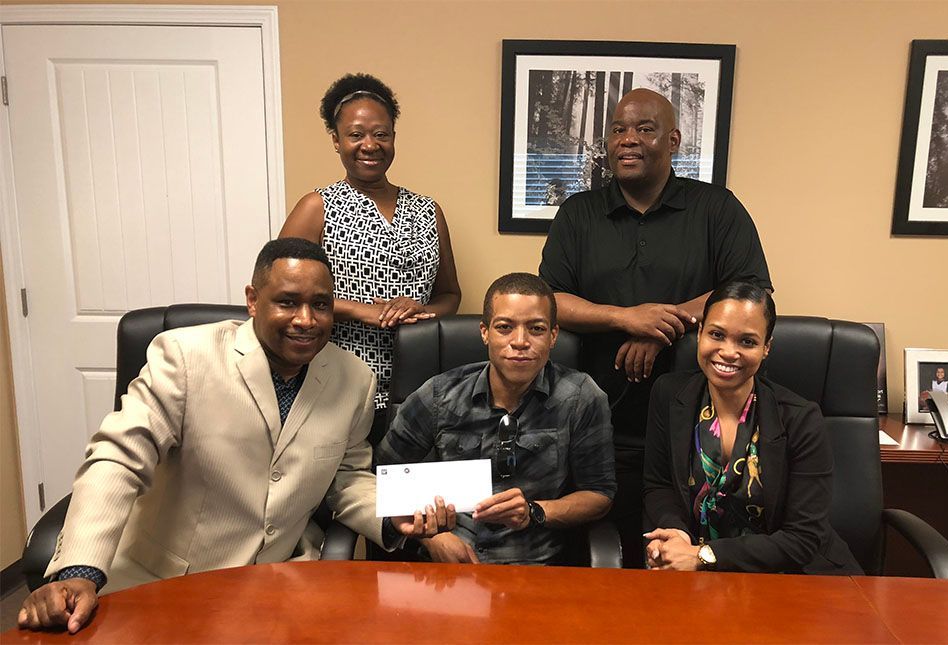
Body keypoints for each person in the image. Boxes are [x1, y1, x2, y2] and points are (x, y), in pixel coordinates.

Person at [18, 238, 453, 633]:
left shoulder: (354, 379)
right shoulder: (185, 357)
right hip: (168, 583)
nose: (306, 320)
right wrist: (81, 570)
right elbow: (117, 459)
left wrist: (393, 512)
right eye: (287, 302)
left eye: (320, 305)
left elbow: (346, 477)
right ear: (252, 300)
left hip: (279, 582)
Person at [538, 87, 772, 567]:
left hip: (696, 423)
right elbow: (552, 301)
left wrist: (661, 323)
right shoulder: (579, 212)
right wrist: (626, 317)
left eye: (644, 129)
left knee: (675, 552)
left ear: (674, 140)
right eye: (618, 129)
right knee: (601, 554)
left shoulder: (716, 208)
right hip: (597, 418)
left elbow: (750, 292)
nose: (628, 139)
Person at [375, 273, 617, 565]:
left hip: (535, 570)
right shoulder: (439, 395)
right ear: (485, 332)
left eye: (536, 329)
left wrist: (534, 511)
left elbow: (599, 495)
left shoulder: (580, 397)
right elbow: (382, 477)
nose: (520, 342)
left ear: (553, 336)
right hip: (448, 568)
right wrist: (432, 538)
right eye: (504, 328)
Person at [280, 73, 461, 445]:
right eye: (356, 134)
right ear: (336, 140)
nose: (370, 145)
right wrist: (362, 310)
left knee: (405, 495)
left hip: (419, 387)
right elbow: (282, 296)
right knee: (340, 491)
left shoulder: (429, 210)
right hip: (338, 382)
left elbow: (450, 296)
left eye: (381, 134)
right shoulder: (318, 207)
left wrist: (421, 311)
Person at [643, 282, 860, 574]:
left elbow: (804, 537)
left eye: (747, 341)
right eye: (716, 335)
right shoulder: (669, 394)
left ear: (766, 348)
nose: (728, 352)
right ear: (700, 333)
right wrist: (676, 536)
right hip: (691, 575)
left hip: (790, 579)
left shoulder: (801, 419)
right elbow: (658, 486)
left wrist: (703, 555)